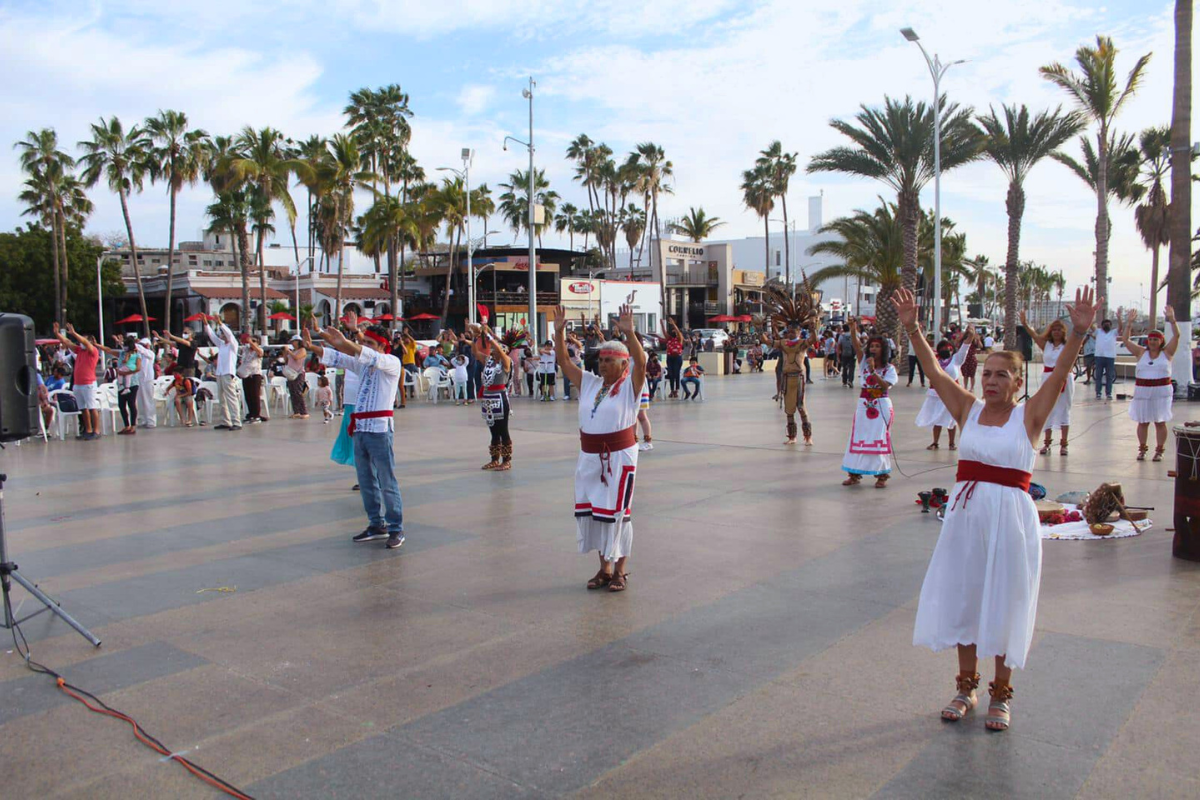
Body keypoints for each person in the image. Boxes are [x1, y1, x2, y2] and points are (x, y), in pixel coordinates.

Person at [899, 285, 1095, 733]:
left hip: (1010, 521)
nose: (991, 381)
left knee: (1005, 600)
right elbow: (932, 369)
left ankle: (1000, 695)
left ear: (1017, 382)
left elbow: (1059, 373)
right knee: (967, 598)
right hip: (967, 520)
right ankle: (965, 687)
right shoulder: (966, 408)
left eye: (1001, 375)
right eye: (987, 373)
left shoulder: (1028, 417)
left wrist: (1079, 334)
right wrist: (912, 327)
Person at [553, 304, 646, 593]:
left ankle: (620, 570)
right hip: (589, 457)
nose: (602, 365)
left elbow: (641, 364)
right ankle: (604, 569)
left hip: (620, 457)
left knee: (618, 514)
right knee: (597, 512)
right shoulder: (590, 383)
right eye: (601, 360)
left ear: (622, 364)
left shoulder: (631, 387)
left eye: (609, 360)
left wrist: (630, 335)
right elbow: (565, 363)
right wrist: (558, 334)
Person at [304, 315, 404, 549]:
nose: (366, 346)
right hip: (359, 429)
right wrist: (312, 346)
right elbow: (339, 357)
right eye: (365, 342)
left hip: (379, 430)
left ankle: (396, 528)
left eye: (371, 342)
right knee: (366, 480)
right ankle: (376, 523)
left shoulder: (391, 362)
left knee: (386, 480)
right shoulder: (363, 365)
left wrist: (346, 341)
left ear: (382, 346)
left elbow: (360, 353)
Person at [841, 318, 896, 488]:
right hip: (864, 404)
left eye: (877, 346)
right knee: (859, 438)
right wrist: (852, 329)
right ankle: (854, 473)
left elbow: (885, 385)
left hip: (881, 404)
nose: (873, 349)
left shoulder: (889, 369)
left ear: (884, 349)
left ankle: (882, 475)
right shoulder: (864, 361)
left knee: (878, 438)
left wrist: (874, 372)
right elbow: (857, 346)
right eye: (872, 346)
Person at [1123, 307, 1180, 462]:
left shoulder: (1167, 353)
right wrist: (1129, 323)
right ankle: (1142, 449)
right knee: (1143, 422)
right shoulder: (1141, 352)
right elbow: (1126, 340)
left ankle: (1159, 450)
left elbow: (1177, 336)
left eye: (1156, 339)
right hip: (1143, 392)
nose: (1153, 341)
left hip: (1161, 393)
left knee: (1160, 422)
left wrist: (1172, 320)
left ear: (1161, 341)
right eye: (1151, 339)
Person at [1019, 314, 1075, 456]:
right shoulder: (1047, 345)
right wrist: (1025, 324)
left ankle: (1064, 444)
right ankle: (1047, 443)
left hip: (1064, 378)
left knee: (1064, 409)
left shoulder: (1068, 346)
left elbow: (1078, 341)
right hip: (1048, 377)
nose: (1056, 331)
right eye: (1054, 329)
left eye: (1059, 329)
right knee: (1047, 409)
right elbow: (1034, 335)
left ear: (1063, 331)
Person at [916, 328, 973, 450]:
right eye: (941, 348)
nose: (944, 350)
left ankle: (951, 443)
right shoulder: (935, 361)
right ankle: (935, 442)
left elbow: (965, 348)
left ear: (951, 349)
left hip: (952, 395)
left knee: (951, 420)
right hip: (936, 395)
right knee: (937, 419)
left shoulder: (956, 359)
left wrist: (970, 336)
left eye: (946, 348)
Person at [762, 321, 817, 445]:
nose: (791, 334)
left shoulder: (802, 343)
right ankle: (792, 437)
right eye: (789, 331)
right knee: (789, 409)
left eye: (793, 331)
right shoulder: (783, 343)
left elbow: (813, 339)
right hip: (787, 378)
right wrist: (761, 329)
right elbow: (767, 342)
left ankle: (808, 437)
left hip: (799, 378)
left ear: (799, 332)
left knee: (801, 407)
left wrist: (813, 330)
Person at [472, 323, 514, 471]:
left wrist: (489, 336)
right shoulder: (488, 361)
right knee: (493, 431)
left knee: (503, 431)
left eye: (498, 350)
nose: (494, 352)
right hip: (488, 399)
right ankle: (494, 459)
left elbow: (499, 351)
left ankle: (506, 460)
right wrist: (474, 338)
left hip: (500, 398)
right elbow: (476, 353)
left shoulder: (506, 362)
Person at [54, 322, 101, 440]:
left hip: (89, 383)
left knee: (92, 407)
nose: (81, 342)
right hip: (78, 384)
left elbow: (85, 343)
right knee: (83, 408)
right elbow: (67, 342)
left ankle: (96, 430)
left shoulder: (93, 351)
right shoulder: (80, 351)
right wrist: (57, 333)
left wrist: (74, 333)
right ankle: (88, 429)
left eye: (84, 341)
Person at [329, 328, 361, 486]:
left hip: (362, 405)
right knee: (353, 443)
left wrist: (356, 331)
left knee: (363, 443)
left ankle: (370, 477)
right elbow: (332, 352)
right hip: (350, 403)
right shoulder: (348, 360)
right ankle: (363, 477)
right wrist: (319, 332)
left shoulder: (364, 358)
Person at [203, 315, 241, 431]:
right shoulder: (221, 345)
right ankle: (226, 421)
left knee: (231, 398)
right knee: (222, 399)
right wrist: (206, 324)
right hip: (219, 373)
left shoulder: (233, 344)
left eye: (222, 333)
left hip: (228, 374)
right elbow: (212, 336)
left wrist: (220, 323)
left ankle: (236, 421)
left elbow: (229, 334)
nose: (221, 335)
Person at [237, 334, 268, 423]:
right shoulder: (246, 351)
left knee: (255, 395)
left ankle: (256, 415)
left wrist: (251, 342)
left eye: (254, 341)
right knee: (248, 395)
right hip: (246, 374)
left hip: (255, 375)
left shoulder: (259, 350)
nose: (251, 343)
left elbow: (260, 353)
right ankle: (251, 413)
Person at [115, 336, 141, 434]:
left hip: (132, 383)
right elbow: (109, 350)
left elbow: (138, 368)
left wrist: (125, 373)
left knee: (131, 404)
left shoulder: (136, 355)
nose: (124, 347)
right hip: (121, 383)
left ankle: (133, 425)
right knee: (121, 405)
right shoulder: (121, 354)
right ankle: (126, 425)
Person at [1092, 316, 1119, 400]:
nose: (1106, 326)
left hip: (1110, 357)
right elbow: (1091, 326)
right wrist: (1091, 317)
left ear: (1111, 326)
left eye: (1108, 324)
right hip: (1099, 356)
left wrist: (1119, 317)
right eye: (1105, 324)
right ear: (1102, 325)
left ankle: (1109, 393)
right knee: (1098, 376)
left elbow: (1121, 327)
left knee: (1109, 376)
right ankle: (1098, 393)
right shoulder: (1098, 332)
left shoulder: (1113, 332)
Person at [283, 335, 310, 419]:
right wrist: (285, 353)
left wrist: (289, 352)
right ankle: (296, 411)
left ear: (298, 341)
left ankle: (304, 411)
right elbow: (286, 360)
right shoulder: (293, 351)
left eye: (294, 341)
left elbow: (296, 358)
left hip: (298, 373)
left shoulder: (302, 350)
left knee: (298, 392)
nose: (292, 343)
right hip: (291, 373)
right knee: (292, 392)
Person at [660, 319, 684, 398]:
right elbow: (664, 332)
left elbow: (678, 332)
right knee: (671, 374)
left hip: (677, 358)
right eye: (673, 331)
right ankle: (672, 390)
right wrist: (662, 325)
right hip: (670, 358)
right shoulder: (669, 339)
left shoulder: (679, 339)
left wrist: (673, 324)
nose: (674, 332)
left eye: (675, 331)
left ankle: (676, 390)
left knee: (676, 374)